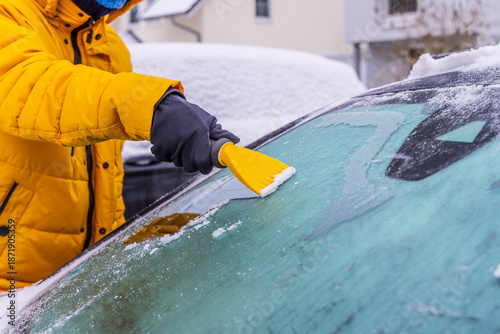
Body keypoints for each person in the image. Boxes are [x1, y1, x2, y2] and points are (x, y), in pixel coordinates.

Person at [0, 0, 239, 291]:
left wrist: (118, 244)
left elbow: (104, 171)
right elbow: (34, 85)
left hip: (76, 286)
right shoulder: (8, 13)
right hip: (11, 287)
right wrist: (149, 108)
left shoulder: (111, 48)